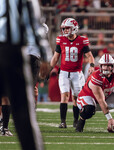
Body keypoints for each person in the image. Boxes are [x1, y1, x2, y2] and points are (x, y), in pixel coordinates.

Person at [0, 0, 49, 149]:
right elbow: (35, 26)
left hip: (12, 52)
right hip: (13, 54)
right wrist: (45, 56)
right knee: (22, 111)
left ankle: (4, 126)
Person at [75, 54, 114, 133]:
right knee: (88, 109)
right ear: (100, 66)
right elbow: (101, 100)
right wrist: (110, 119)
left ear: (112, 66)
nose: (106, 68)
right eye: (104, 65)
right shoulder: (96, 77)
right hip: (87, 97)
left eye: (109, 65)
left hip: (105, 97)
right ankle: (80, 122)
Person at [50, 18, 95, 128]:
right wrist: (49, 69)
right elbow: (56, 57)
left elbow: (89, 56)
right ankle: (63, 121)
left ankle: (76, 120)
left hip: (76, 74)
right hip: (64, 73)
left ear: (74, 28)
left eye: (67, 28)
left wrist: (92, 66)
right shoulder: (60, 40)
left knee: (76, 97)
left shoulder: (82, 40)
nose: (65, 30)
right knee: (64, 95)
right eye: (64, 28)